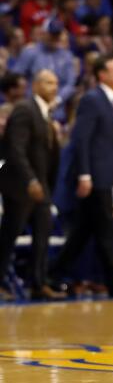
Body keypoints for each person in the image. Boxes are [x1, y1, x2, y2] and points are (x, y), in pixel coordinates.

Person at [49, 55, 113, 298]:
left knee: (83, 234)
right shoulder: (92, 99)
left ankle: (52, 274)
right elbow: (82, 139)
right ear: (102, 74)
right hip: (95, 177)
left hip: (107, 176)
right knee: (106, 232)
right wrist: (84, 174)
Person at [0, 70, 63, 301]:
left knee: (42, 234)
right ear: (35, 86)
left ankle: (38, 282)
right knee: (9, 235)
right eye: (48, 82)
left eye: (56, 83)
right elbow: (15, 149)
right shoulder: (25, 109)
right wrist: (30, 180)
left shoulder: (46, 113)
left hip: (42, 186)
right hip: (21, 186)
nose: (53, 87)